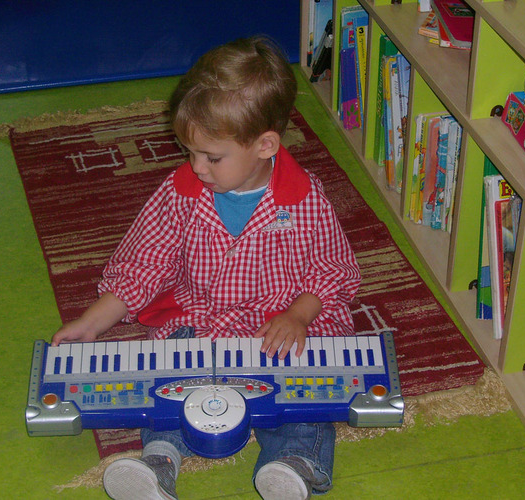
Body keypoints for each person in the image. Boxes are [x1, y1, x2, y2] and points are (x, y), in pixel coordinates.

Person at [52, 36, 361, 500]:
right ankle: (159, 461)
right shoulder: (180, 192)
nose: (196, 167)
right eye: (189, 151)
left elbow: (333, 269)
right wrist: (93, 323)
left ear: (265, 145)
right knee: (172, 377)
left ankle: (294, 463)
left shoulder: (303, 198)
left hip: (279, 321)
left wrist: (299, 315)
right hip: (202, 316)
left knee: (303, 387)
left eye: (211, 157)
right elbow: (144, 263)